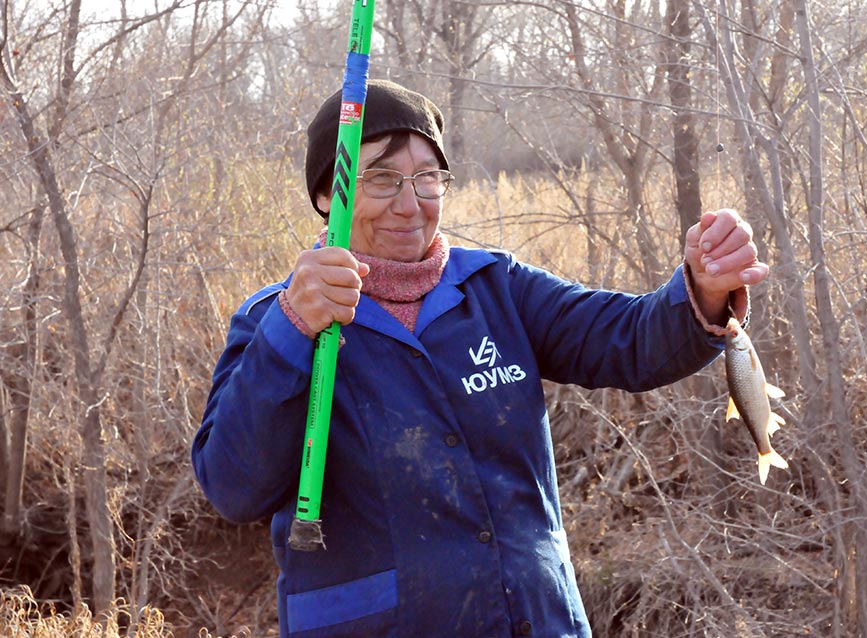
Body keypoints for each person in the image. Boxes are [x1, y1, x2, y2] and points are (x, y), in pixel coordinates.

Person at [192, 79, 769, 638]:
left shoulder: (497, 287)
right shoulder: (277, 318)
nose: (409, 204)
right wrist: (292, 328)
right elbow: (233, 485)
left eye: (427, 179)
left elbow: (631, 340)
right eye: (383, 179)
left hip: (536, 619)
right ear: (327, 194)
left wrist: (704, 286)